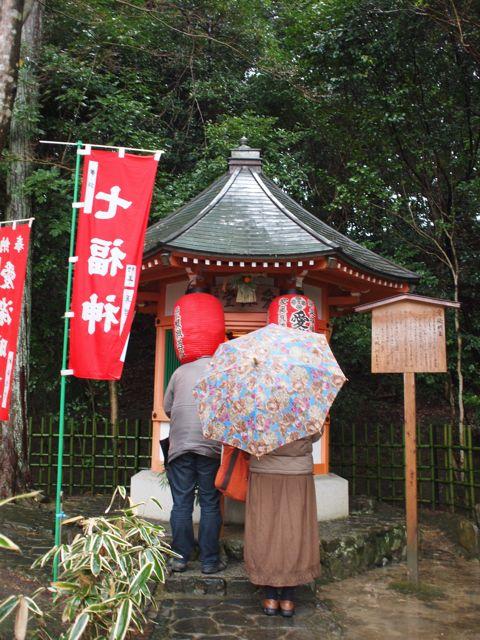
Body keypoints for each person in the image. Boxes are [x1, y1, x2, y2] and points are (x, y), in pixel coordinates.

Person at [244, 434, 321, 617]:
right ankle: (288, 599)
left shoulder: (255, 413)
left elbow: (246, 438)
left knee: (264, 529)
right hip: (297, 473)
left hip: (264, 471)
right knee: (295, 530)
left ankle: (270, 597)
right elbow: (316, 434)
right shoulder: (304, 414)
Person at [164, 356, 226, 575]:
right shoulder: (221, 371)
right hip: (210, 446)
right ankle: (209, 561)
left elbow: (167, 408)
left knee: (181, 503)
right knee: (210, 502)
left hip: (180, 446)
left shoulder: (180, 372)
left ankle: (180, 558)